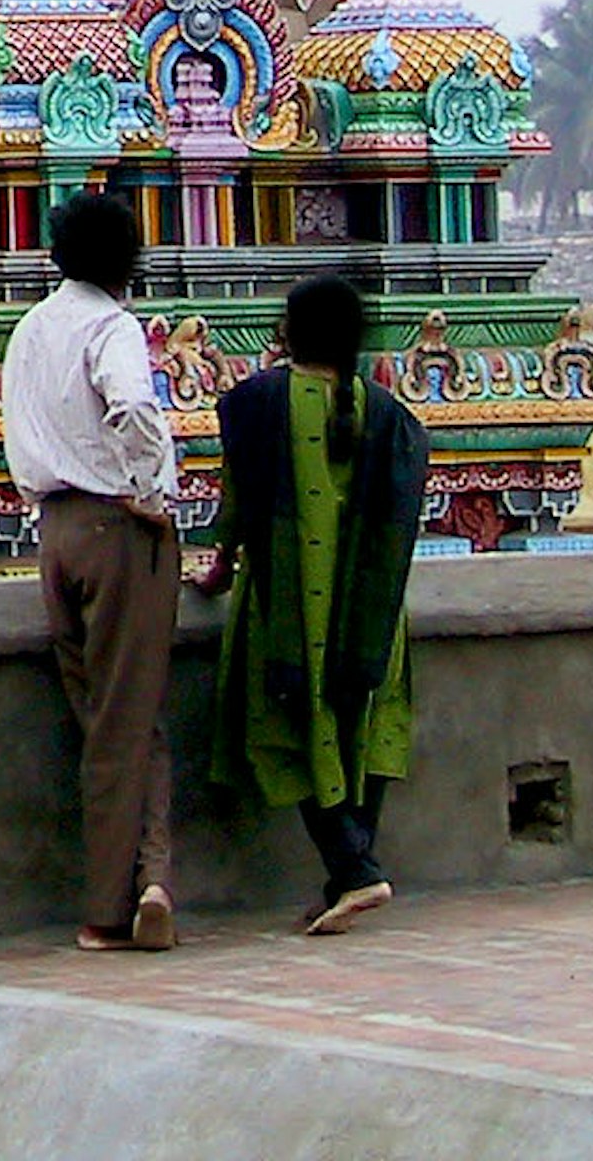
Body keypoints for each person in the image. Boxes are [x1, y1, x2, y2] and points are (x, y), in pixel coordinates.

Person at [201, 272, 429, 934]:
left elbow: (236, 509)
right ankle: (347, 872)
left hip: (287, 605)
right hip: (373, 613)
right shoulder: (386, 411)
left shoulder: (257, 403)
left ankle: (356, 869)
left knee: (284, 728)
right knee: (365, 727)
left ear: (287, 331)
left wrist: (217, 571)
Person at [0, 191, 181, 952]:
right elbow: (133, 408)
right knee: (126, 716)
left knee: (104, 712)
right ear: (131, 260)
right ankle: (116, 903)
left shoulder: (31, 329)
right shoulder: (113, 328)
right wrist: (151, 491)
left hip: (55, 532)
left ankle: (149, 876)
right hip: (117, 527)